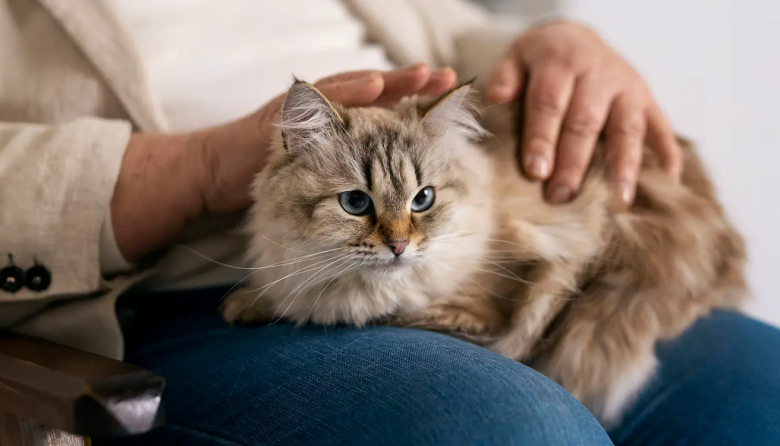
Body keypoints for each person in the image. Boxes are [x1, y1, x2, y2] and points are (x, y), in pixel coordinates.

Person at [0, 0, 778, 444]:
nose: (396, 234)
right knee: (512, 428)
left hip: (448, 202)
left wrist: (548, 43)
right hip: (182, 297)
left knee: (762, 393)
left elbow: (454, 34)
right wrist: (196, 166)